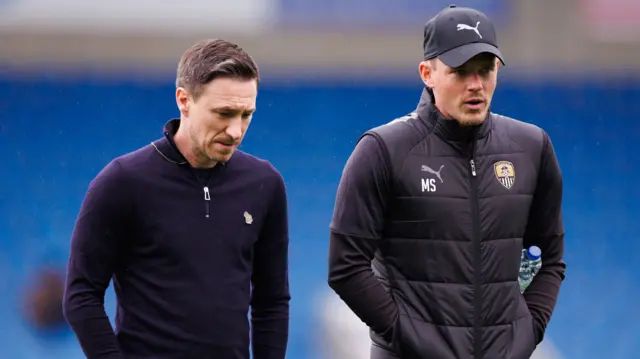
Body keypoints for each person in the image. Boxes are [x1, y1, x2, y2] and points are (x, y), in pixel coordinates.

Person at [327, 5, 566, 359]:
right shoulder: (383, 150)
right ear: (427, 73)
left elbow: (550, 258)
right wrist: (410, 338)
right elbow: (345, 267)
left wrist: (527, 332)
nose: (475, 85)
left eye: (485, 70)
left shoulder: (532, 147)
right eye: (460, 71)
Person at [63, 39, 290, 359]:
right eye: (224, 113)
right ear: (184, 100)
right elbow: (81, 295)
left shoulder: (265, 184)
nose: (235, 131)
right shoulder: (122, 182)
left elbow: (272, 301)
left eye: (246, 114)